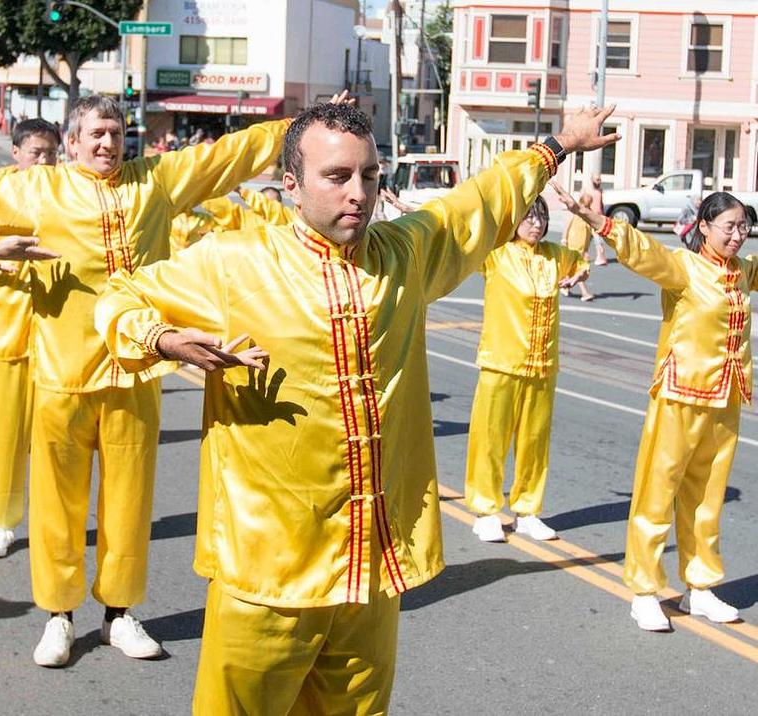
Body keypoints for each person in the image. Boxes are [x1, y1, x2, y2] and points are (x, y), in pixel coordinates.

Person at [95, 102, 617, 712]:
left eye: (369, 176)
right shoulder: (234, 263)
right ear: (291, 186)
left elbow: (480, 201)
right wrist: (160, 339)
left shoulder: (403, 254)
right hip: (270, 571)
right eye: (337, 176)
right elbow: (118, 297)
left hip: (372, 566)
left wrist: (556, 146)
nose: (359, 194)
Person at [0, 93, 292, 668]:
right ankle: (58, 616)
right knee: (58, 502)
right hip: (62, 373)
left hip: (136, 369)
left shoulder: (155, 181)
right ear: (72, 141)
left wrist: (298, 125)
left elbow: (230, 153)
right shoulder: (39, 188)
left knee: (129, 500)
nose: (107, 143)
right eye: (96, 134)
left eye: (116, 131)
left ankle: (119, 614)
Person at [554, 185, 752, 632]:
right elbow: (641, 250)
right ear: (703, 226)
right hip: (680, 396)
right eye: (729, 227)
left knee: (706, 499)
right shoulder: (683, 268)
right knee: (657, 493)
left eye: (744, 227)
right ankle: (644, 590)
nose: (737, 235)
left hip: (726, 399)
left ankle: (699, 588)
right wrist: (594, 219)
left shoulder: (741, 271)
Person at [463, 195, 589, 543]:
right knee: (490, 439)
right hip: (500, 363)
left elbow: (580, 259)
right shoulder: (496, 254)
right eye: (529, 218)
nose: (536, 224)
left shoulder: (553, 256)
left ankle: (527, 510)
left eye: (541, 218)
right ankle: (486, 510)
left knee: (534, 441)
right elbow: (462, 236)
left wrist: (582, 219)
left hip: (542, 366)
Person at [0, 118, 61, 559]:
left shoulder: (71, 188)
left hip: (59, 334)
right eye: (36, 152)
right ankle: (3, 523)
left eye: (51, 152)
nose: (44, 160)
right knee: (5, 435)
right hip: (7, 328)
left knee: (54, 442)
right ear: (16, 152)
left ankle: (51, 522)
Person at [560, 193, 596, 301]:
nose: (587, 208)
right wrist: (564, 240)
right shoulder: (574, 214)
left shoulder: (588, 216)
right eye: (585, 206)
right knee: (579, 270)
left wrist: (588, 249)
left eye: (589, 206)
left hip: (582, 249)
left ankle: (566, 286)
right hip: (572, 247)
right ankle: (584, 293)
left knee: (578, 270)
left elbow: (590, 233)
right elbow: (567, 227)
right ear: (580, 203)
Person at [587, 173, 608, 265]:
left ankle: (600, 257)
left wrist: (603, 215)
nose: (599, 181)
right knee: (586, 239)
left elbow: (601, 204)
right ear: (592, 180)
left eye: (599, 179)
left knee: (598, 239)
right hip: (590, 218)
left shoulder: (600, 191)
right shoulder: (588, 192)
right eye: (597, 179)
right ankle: (584, 255)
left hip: (598, 218)